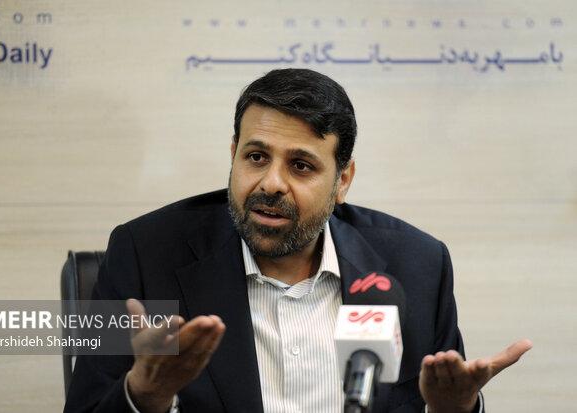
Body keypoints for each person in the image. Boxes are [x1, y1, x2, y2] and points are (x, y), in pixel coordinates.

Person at [64, 68, 532, 413]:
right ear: (233, 154)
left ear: (342, 180)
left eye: (301, 166)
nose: (271, 183)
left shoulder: (417, 266)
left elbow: (443, 399)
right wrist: (144, 395)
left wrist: (454, 410)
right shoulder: (144, 254)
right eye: (256, 157)